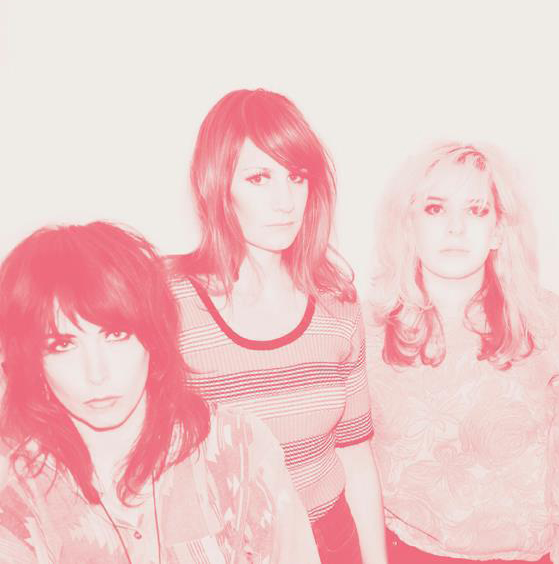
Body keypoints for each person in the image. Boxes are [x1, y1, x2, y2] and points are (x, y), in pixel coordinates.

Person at [0, 221, 319, 564]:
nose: (97, 374)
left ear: (153, 337)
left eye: (116, 335)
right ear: (31, 361)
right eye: (63, 345)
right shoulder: (15, 483)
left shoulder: (236, 445)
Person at [170, 88, 386, 564]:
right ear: (216, 184)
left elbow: (357, 459)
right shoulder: (170, 304)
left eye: (297, 177)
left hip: (332, 541)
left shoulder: (336, 305)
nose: (285, 200)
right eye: (259, 177)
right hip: (227, 549)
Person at [367, 142, 559, 564]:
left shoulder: (550, 324)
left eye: (476, 210)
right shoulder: (365, 328)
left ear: (499, 229)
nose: (456, 228)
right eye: (435, 209)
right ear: (408, 224)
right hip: (404, 552)